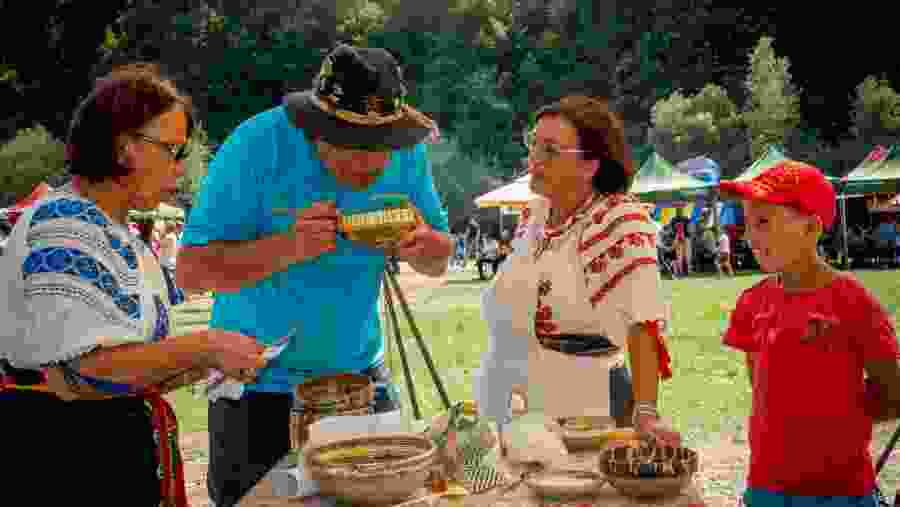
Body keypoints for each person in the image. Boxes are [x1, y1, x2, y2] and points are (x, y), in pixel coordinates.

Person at [175, 44, 453, 507]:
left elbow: (440, 256)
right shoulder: (255, 146)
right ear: (315, 128)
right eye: (352, 148)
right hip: (259, 394)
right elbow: (192, 272)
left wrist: (425, 246)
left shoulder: (405, 151)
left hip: (363, 381)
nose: (369, 164)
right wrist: (289, 247)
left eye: (379, 149)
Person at [0, 64, 265, 507]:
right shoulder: (66, 225)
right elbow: (88, 369)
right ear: (126, 149)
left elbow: (124, 365)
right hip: (65, 468)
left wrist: (205, 364)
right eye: (172, 150)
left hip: (107, 459)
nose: (179, 168)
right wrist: (205, 345)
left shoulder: (115, 234)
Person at [473, 95, 679, 450]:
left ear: (590, 166)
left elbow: (642, 320)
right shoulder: (532, 218)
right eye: (533, 144)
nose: (533, 159)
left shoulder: (619, 220)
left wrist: (645, 409)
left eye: (550, 150)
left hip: (591, 408)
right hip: (519, 406)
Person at [719, 160, 900, 507]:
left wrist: (835, 416)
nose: (751, 237)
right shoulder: (751, 303)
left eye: (764, 222)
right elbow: (761, 387)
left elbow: (892, 393)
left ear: (812, 228)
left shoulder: (853, 301)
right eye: (746, 224)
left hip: (842, 490)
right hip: (766, 488)